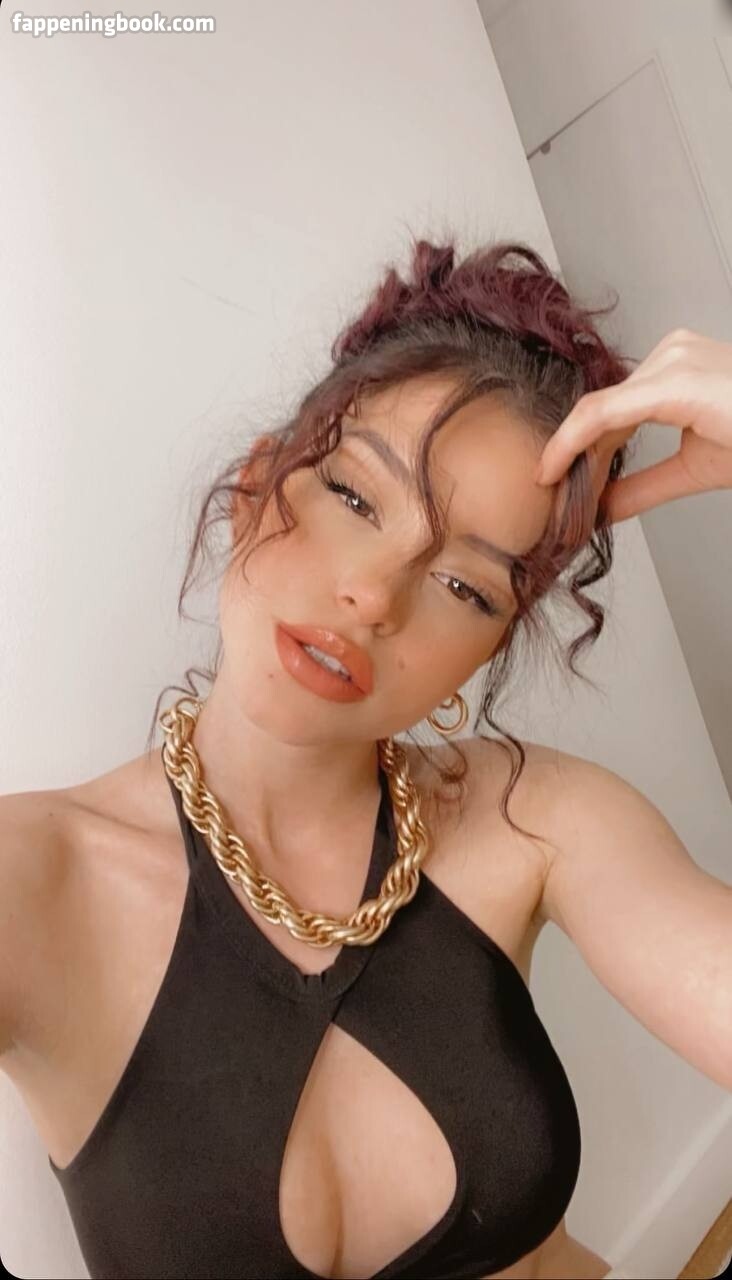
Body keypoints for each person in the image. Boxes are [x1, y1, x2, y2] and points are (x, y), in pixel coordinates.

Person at [1, 236, 731, 1280]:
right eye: (354, 497)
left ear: (486, 652)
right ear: (258, 485)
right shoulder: (36, 881)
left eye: (467, 587)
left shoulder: (535, 818)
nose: (376, 596)